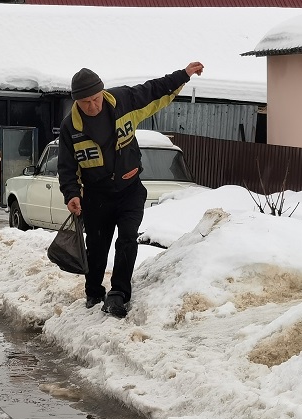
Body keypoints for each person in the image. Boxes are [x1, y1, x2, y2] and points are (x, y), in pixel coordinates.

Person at [57, 62, 204, 318]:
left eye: (96, 99)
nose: (93, 106)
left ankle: (119, 295)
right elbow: (67, 167)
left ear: (102, 92)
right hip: (96, 195)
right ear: (76, 102)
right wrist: (71, 194)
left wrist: (184, 74)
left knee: (127, 240)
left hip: (130, 189)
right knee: (97, 246)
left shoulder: (123, 100)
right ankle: (93, 291)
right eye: (85, 102)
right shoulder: (71, 127)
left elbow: (154, 89)